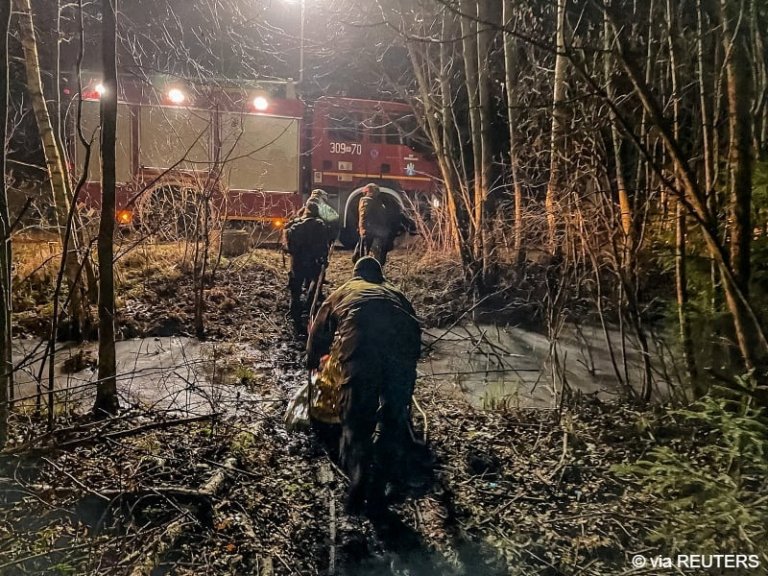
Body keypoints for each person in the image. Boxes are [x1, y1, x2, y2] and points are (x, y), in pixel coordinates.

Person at [306, 257, 424, 515]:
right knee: (394, 415)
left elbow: (318, 332)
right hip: (401, 353)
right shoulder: (396, 294)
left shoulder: (345, 290)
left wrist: (312, 362)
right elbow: (415, 331)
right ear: (380, 275)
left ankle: (358, 483)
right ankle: (381, 479)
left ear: (356, 274)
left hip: (360, 351)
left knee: (355, 419)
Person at [282, 202, 329, 332]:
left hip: (297, 263)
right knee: (314, 283)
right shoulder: (320, 226)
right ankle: (309, 308)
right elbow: (324, 246)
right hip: (314, 262)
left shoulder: (294, 226)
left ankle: (295, 316)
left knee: (295, 290)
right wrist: (324, 259)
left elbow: (287, 248)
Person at [357, 183, 394, 267]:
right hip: (373, 233)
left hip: (372, 232)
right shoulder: (368, 202)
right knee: (373, 256)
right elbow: (365, 217)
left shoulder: (369, 202)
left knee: (368, 255)